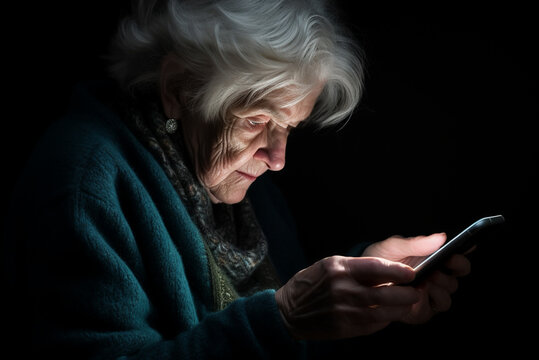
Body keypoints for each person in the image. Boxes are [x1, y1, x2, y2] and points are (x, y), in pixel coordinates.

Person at [3, 0, 472, 358]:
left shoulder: (232, 179)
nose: (278, 157)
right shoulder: (85, 187)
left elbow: (280, 326)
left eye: (289, 126)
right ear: (177, 90)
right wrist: (282, 318)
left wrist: (363, 288)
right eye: (255, 121)